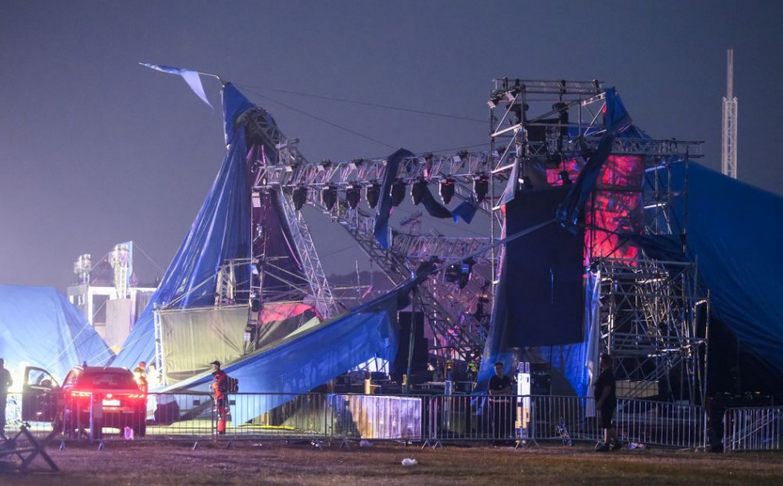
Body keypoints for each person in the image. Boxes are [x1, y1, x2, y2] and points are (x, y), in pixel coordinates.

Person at [594, 353, 620, 451]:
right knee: (606, 423)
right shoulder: (607, 373)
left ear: (604, 361)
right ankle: (611, 443)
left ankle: (610, 443)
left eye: (600, 360)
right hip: (607, 402)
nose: (599, 362)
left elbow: (607, 389)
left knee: (607, 423)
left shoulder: (607, 374)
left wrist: (600, 402)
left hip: (607, 403)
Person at [488, 361, 513, 442]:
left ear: (502, 369)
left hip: (505, 405)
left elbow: (509, 391)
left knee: (504, 421)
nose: (497, 370)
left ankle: (503, 438)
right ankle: (496, 439)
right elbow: (492, 392)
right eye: (496, 369)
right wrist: (503, 391)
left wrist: (501, 391)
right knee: (496, 422)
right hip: (495, 405)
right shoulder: (493, 379)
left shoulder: (506, 379)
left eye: (499, 368)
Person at [210, 360, 229, 435]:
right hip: (221, 396)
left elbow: (218, 385)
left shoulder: (218, 375)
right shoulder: (221, 374)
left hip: (220, 396)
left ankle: (220, 430)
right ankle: (221, 429)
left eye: (213, 366)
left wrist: (213, 386)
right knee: (222, 414)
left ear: (216, 366)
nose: (212, 367)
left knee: (221, 414)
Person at [1, 358, 13, 436]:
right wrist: (6, 387)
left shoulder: (6, 372)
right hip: (3, 393)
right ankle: (1, 426)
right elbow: (11, 382)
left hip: (3, 393)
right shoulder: (6, 372)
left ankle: (1, 426)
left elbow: (11, 382)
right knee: (2, 409)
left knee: (2, 409)